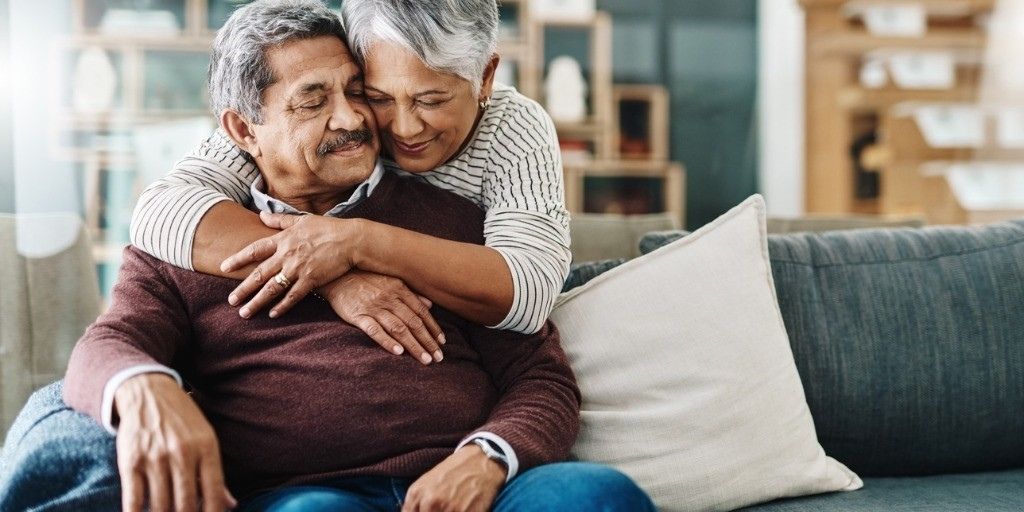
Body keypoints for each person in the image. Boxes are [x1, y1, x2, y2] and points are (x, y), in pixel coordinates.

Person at [0, 3, 655, 511]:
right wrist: (144, 389)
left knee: (597, 496)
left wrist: (488, 457)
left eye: (353, 91)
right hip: (307, 490)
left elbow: (539, 373)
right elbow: (105, 344)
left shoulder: (449, 221)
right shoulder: (189, 238)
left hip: (470, 482)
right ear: (241, 130)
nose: (359, 120)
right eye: (313, 101)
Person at [130, 0, 571, 365]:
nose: (403, 128)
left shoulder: (513, 128)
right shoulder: (340, 119)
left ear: (486, 78)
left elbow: (529, 294)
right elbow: (159, 212)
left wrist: (356, 243)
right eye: (377, 96)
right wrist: (332, 276)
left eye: (431, 99)